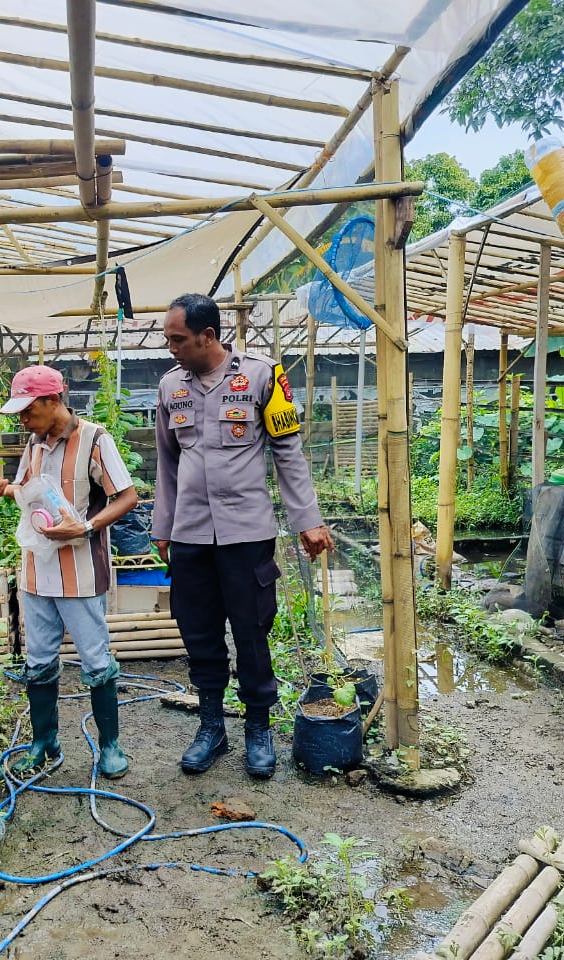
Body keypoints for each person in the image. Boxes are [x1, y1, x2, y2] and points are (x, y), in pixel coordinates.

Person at [154, 293, 334, 779]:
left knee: (252, 633)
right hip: (191, 535)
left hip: (246, 533)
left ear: (207, 336)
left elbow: (288, 452)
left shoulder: (262, 376)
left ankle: (258, 728)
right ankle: (211, 727)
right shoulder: (170, 386)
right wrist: (162, 526)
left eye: (177, 339)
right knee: (199, 633)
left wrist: (307, 520)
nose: (169, 347)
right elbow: (167, 462)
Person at [0, 364, 139, 778]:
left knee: (95, 659)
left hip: (81, 572)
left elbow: (128, 497)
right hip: (37, 570)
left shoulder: (95, 438)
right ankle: (43, 742)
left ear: (54, 401)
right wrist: (8, 488)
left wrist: (86, 526)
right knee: (38, 660)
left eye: (28, 410)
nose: (23, 419)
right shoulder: (33, 445)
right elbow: (29, 489)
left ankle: (110, 746)